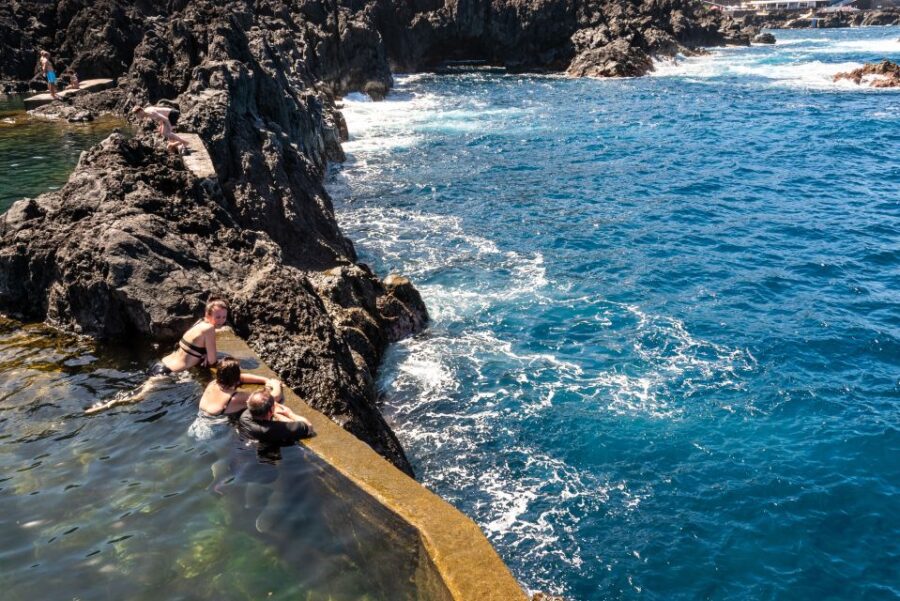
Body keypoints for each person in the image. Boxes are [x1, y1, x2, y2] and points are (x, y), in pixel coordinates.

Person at [85, 298, 229, 414]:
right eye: (217, 317)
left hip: (161, 364)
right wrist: (208, 357)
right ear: (207, 315)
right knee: (136, 397)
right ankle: (103, 407)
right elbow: (212, 361)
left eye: (224, 317)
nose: (221, 321)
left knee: (137, 390)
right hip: (166, 373)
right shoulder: (209, 329)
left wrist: (202, 354)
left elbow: (196, 348)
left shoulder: (199, 324)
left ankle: (104, 405)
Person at [238, 389, 315, 447]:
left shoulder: (244, 416)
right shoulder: (271, 429)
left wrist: (274, 412)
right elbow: (308, 427)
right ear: (270, 411)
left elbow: (261, 403)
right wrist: (290, 414)